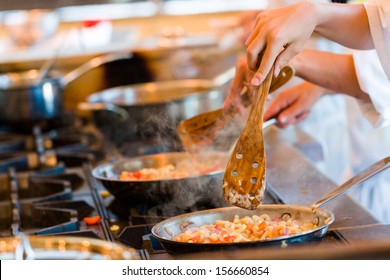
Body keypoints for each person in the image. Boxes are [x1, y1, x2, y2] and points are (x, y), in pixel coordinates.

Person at [223, 0, 390, 223]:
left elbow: (380, 52)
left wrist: (312, 17)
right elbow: (379, 25)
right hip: (364, 166)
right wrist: (318, 83)